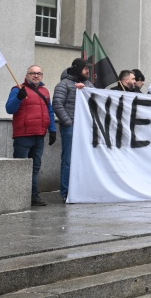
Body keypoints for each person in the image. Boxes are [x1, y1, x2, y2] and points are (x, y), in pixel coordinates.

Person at [5, 65, 57, 207]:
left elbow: (50, 111)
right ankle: (17, 196)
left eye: (39, 73)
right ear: (27, 75)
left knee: (35, 167)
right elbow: (9, 109)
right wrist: (18, 98)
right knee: (20, 167)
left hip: (39, 135)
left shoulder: (45, 91)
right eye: (32, 73)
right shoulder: (17, 89)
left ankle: (34, 195)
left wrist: (52, 130)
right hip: (23, 135)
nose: (36, 75)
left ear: (42, 76)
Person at [53, 58, 95, 202]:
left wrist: (86, 90)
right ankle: (66, 192)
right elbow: (57, 104)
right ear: (78, 68)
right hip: (71, 128)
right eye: (85, 68)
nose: (88, 71)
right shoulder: (63, 84)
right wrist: (69, 123)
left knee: (85, 160)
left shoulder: (88, 85)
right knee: (68, 161)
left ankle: (82, 190)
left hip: (86, 129)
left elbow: (96, 100)